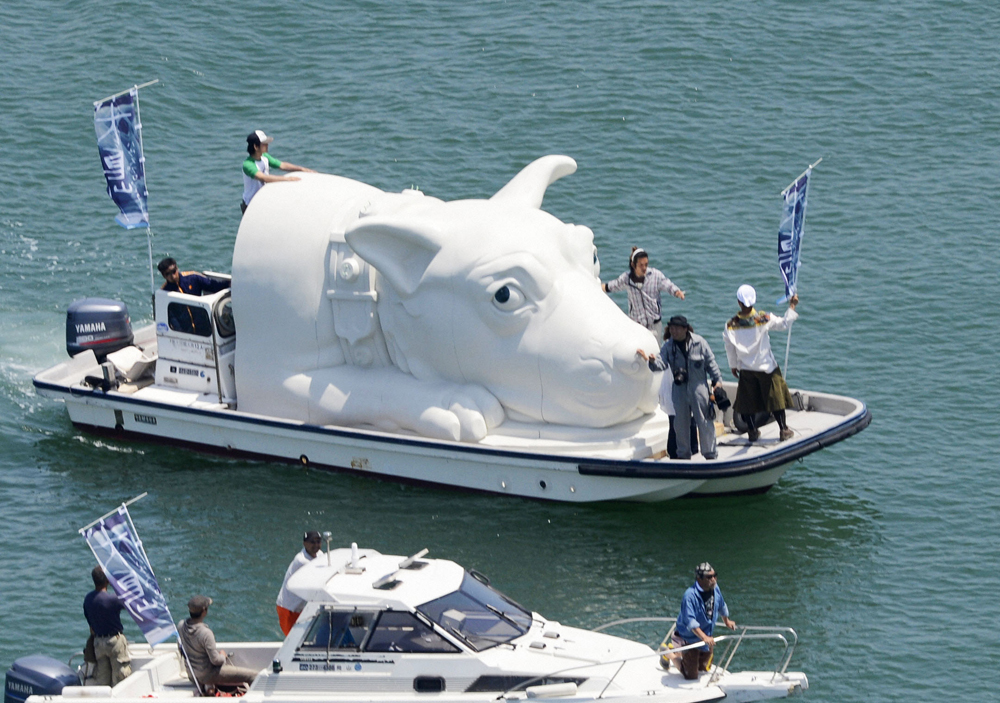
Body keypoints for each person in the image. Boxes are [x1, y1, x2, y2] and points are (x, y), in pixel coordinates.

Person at [722, 285, 799, 442]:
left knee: (746, 403)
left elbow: (729, 346)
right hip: (766, 367)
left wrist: (733, 365)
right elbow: (784, 323)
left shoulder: (730, 325)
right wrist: (792, 306)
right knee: (776, 399)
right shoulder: (763, 319)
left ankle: (752, 431)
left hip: (745, 368)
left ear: (738, 302)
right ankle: (783, 429)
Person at [603, 247, 685, 342]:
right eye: (641, 265)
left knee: (655, 354)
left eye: (646, 264)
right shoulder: (626, 279)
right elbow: (611, 286)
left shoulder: (655, 275)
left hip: (654, 325)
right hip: (636, 325)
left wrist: (677, 292)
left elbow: (667, 285)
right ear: (633, 265)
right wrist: (594, 285)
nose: (644, 268)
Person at [177, 596, 258, 691]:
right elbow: (216, 661)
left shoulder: (180, 625)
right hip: (207, 675)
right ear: (204, 611)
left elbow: (181, 650)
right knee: (254, 676)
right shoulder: (206, 633)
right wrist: (222, 656)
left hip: (192, 675)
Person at [671, 562, 736, 680]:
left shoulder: (715, 589)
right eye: (709, 577)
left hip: (706, 634)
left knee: (704, 668)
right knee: (690, 675)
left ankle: (680, 653)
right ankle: (669, 653)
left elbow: (721, 605)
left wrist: (727, 621)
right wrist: (704, 637)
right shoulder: (689, 596)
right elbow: (690, 621)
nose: (713, 579)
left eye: (714, 575)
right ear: (699, 579)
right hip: (689, 637)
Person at [241, 130, 314, 213]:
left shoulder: (264, 157)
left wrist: (301, 169)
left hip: (262, 200)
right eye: (264, 144)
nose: (267, 145)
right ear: (255, 146)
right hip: (250, 204)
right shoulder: (248, 164)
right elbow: (263, 178)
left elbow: (282, 165)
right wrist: (287, 179)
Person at [82, 566, 132, 686]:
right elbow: (131, 601)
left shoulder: (88, 599)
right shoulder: (112, 599)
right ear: (108, 580)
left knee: (102, 681)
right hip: (114, 642)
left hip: (98, 643)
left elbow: (90, 623)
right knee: (120, 679)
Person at [157, 257, 231, 335]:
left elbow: (212, 285)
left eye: (173, 271)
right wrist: (179, 332)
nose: (172, 276)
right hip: (184, 330)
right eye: (168, 274)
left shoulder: (192, 277)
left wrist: (229, 284)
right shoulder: (164, 292)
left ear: (177, 268)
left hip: (203, 325)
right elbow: (171, 316)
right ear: (163, 275)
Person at [276, 531, 325, 635]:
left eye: (318, 542)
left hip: (299, 608)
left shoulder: (319, 554)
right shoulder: (301, 561)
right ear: (305, 544)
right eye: (312, 542)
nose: (316, 545)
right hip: (288, 608)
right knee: (292, 639)